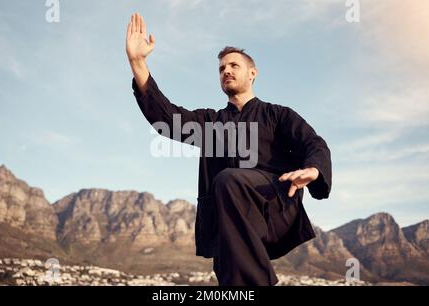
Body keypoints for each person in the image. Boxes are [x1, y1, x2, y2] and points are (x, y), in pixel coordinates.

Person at [126, 12, 332, 286]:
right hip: (229, 220)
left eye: (234, 65)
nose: (227, 71)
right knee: (229, 273)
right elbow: (167, 119)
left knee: (228, 179)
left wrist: (314, 170)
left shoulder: (278, 115)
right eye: (222, 69)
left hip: (273, 205)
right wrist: (137, 63)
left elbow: (313, 143)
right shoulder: (211, 122)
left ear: (253, 73)